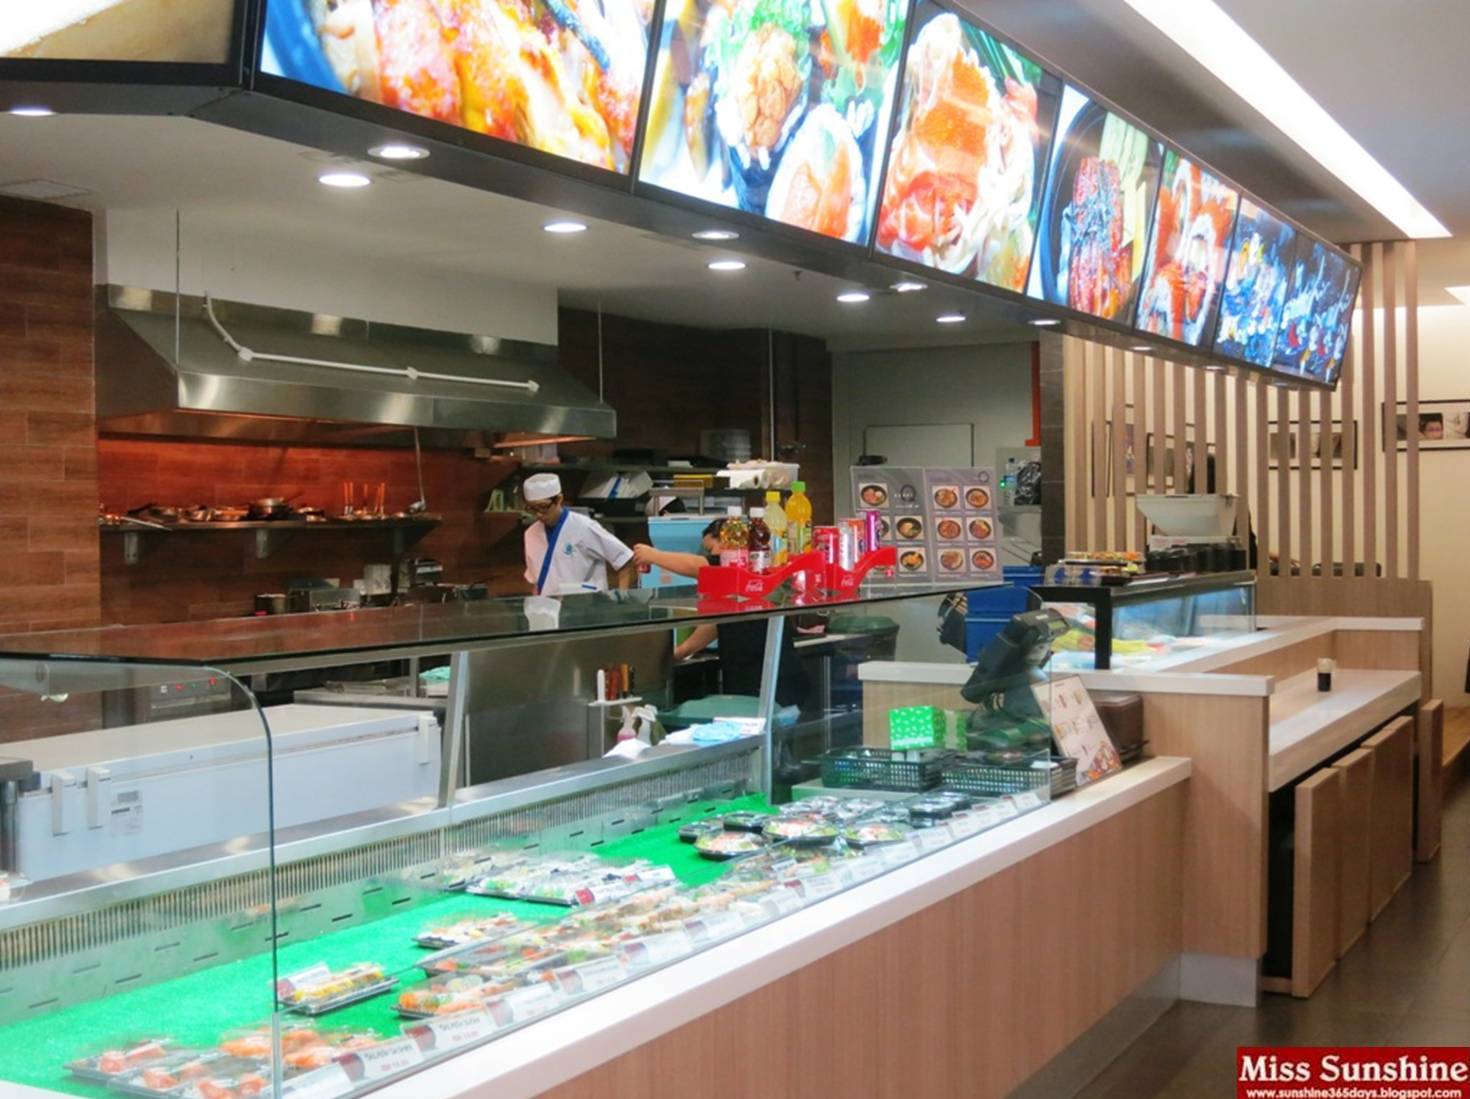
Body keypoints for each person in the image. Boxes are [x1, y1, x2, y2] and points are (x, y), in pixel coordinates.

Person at [632, 521, 808, 707]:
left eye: (710, 548)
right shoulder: (737, 580)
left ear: (727, 541)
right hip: (751, 680)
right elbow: (718, 623)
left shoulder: (748, 568)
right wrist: (681, 652)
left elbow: (699, 566)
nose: (711, 554)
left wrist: (654, 555)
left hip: (772, 679)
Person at [522, 473, 635, 595]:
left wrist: (622, 598)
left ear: (559, 499)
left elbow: (625, 560)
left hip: (585, 604)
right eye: (532, 509)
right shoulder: (530, 534)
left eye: (543, 507)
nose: (538, 514)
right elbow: (535, 582)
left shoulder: (584, 526)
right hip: (548, 604)